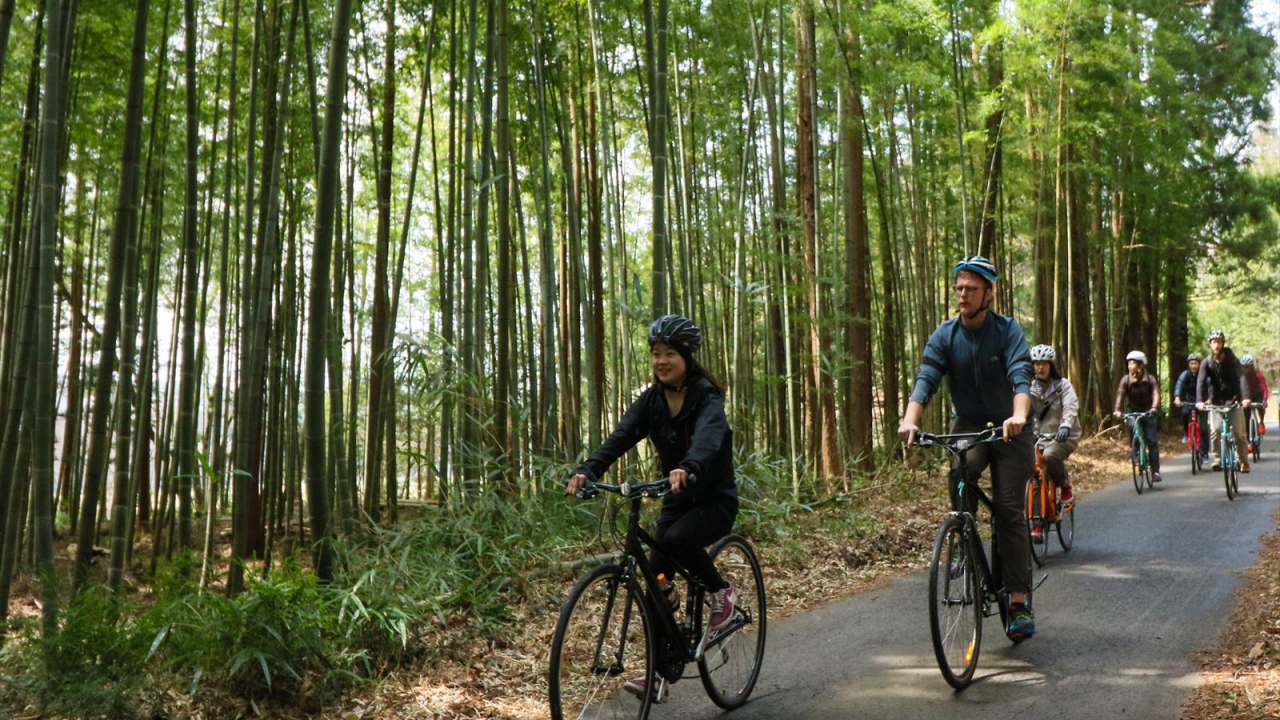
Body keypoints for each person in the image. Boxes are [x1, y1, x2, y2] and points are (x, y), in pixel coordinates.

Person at [565, 314, 737, 703]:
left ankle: (721, 591)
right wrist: (589, 469)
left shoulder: (707, 396)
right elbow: (621, 436)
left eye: (670, 353)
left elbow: (709, 440)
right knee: (656, 578)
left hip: (713, 500)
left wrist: (689, 467)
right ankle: (659, 675)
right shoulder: (652, 400)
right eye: (656, 353)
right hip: (675, 499)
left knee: (673, 540)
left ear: (687, 357)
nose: (661, 361)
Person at [897, 255, 1037, 642]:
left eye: (971, 288)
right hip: (971, 424)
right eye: (959, 287)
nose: (963, 294)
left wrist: (1019, 415)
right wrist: (910, 420)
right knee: (960, 468)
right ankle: (962, 537)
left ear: (988, 293)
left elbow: (1021, 378)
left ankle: (1019, 601)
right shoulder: (945, 334)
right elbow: (926, 379)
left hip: (1011, 427)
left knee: (1009, 509)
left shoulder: (1007, 331)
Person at [1027, 344, 1081, 544]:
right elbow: (1023, 411)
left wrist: (1065, 426)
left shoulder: (1063, 385)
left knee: (1050, 456)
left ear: (1051, 365)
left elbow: (1070, 407)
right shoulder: (1029, 387)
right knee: (1034, 471)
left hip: (1064, 436)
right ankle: (1037, 523)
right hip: (1039, 437)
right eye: (1037, 364)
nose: (1040, 368)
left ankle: (1065, 485)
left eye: (1044, 364)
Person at [1196, 330, 1250, 473]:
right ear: (1210, 345)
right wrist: (1200, 401)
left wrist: (1245, 397)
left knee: (1239, 434)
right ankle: (1217, 458)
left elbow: (1242, 378)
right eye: (1214, 342)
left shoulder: (1232, 360)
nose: (1216, 345)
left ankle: (1243, 460)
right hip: (1215, 401)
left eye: (1219, 342)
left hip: (1233, 399)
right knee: (1215, 431)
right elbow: (1201, 381)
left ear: (1223, 344)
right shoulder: (1206, 362)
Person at [1112, 350, 1162, 482]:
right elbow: (1120, 394)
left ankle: (1155, 471)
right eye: (1128, 363)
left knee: (1151, 441)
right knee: (1133, 430)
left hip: (1148, 411)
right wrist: (1117, 409)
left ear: (1140, 365)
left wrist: (1154, 407)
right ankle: (1135, 450)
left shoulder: (1150, 379)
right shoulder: (1126, 379)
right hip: (1133, 411)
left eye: (1133, 363)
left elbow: (1156, 393)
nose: (1130, 366)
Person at [1173, 353, 1210, 463]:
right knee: (1184, 413)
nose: (1193, 366)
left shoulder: (1204, 375)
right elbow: (1179, 385)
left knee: (1203, 429)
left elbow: (1210, 387)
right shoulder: (1185, 374)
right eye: (1191, 363)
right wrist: (1177, 398)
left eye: (1196, 363)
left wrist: (1209, 400)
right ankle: (1186, 432)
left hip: (1202, 403)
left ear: (1200, 364)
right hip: (1189, 402)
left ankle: (1204, 454)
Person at [1241, 354, 1269, 441]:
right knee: (1246, 416)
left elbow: (1264, 387)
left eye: (1247, 367)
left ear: (1251, 366)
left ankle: (1261, 423)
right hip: (1247, 396)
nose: (1245, 369)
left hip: (1257, 394)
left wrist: (1265, 399)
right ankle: (1248, 441)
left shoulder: (1257, 373)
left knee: (1261, 406)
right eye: (1243, 367)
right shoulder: (1240, 374)